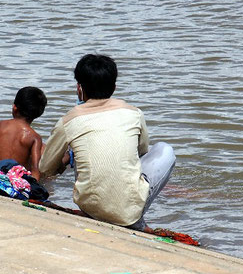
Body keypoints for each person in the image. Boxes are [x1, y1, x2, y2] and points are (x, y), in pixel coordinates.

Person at [39, 54, 175, 231]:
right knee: (165, 149)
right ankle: (132, 215)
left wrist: (64, 160)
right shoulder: (134, 113)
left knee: (84, 152)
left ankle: (105, 205)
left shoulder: (68, 120)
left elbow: (45, 167)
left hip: (89, 207)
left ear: (79, 88)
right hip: (129, 210)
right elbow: (142, 152)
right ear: (114, 86)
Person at [0, 86, 47, 180]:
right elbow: (35, 168)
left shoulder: (0, 125)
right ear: (39, 114)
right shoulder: (34, 137)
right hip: (16, 180)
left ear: (14, 107)